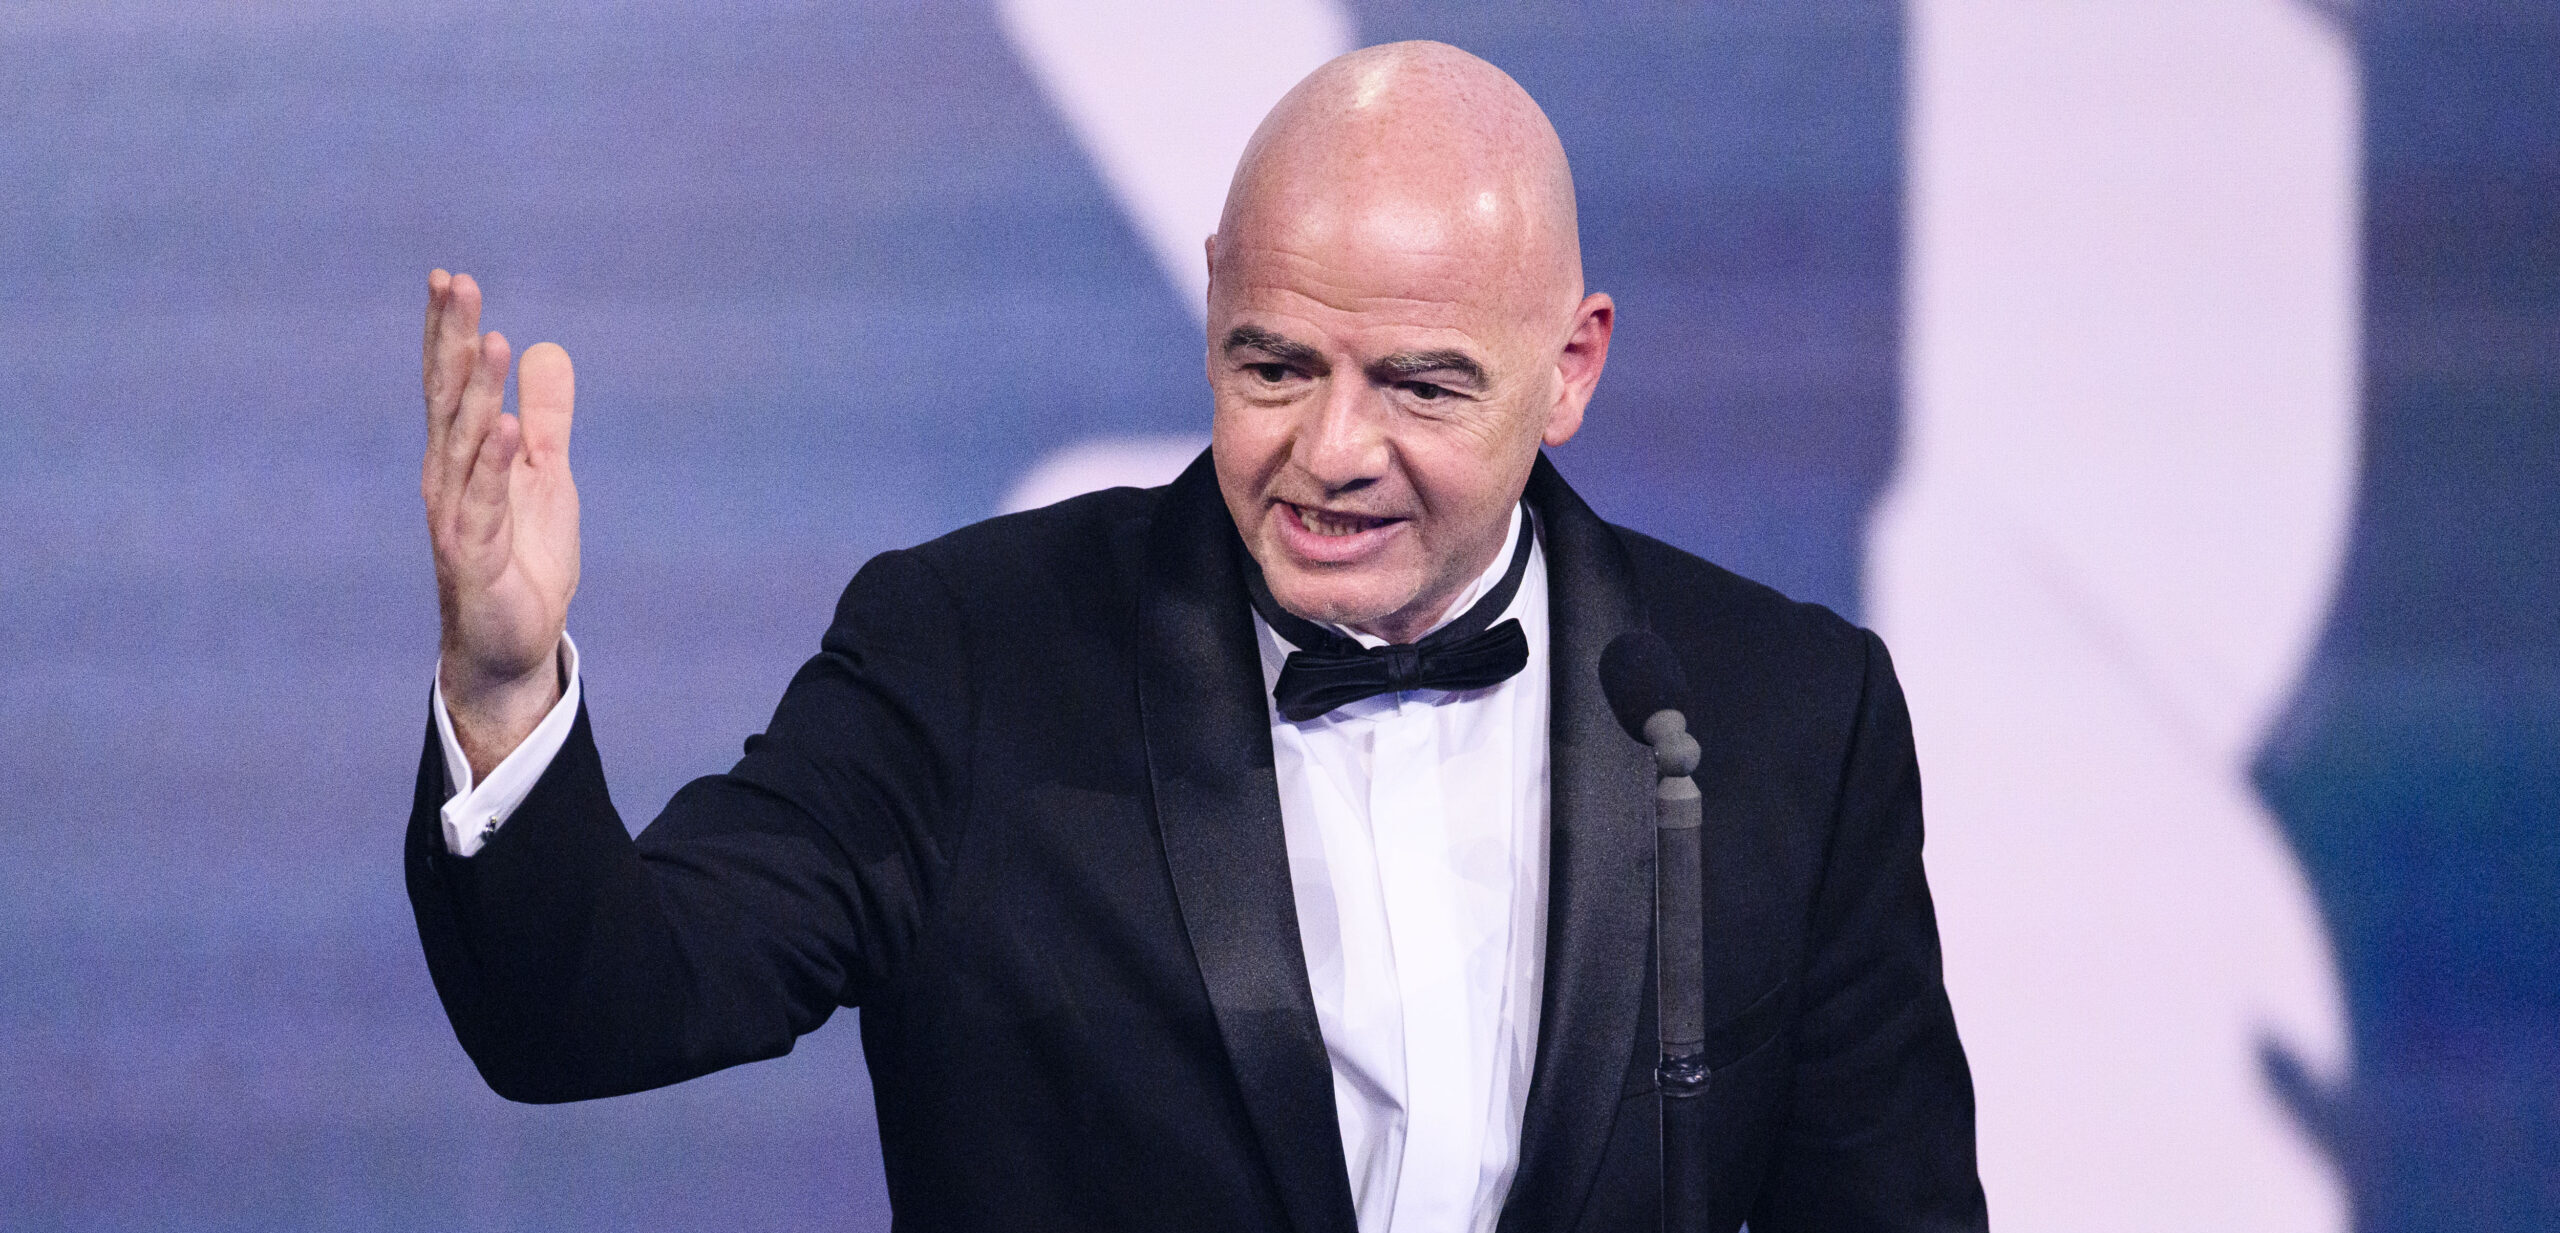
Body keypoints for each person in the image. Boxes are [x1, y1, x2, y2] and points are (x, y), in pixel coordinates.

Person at [407, 41, 1985, 1233]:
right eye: (1275, 363)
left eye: (1422, 385)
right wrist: (499, 683)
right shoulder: (970, 655)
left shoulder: (1781, 716)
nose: (1332, 449)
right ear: (1214, 298)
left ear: (1570, 367)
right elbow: (587, 1006)